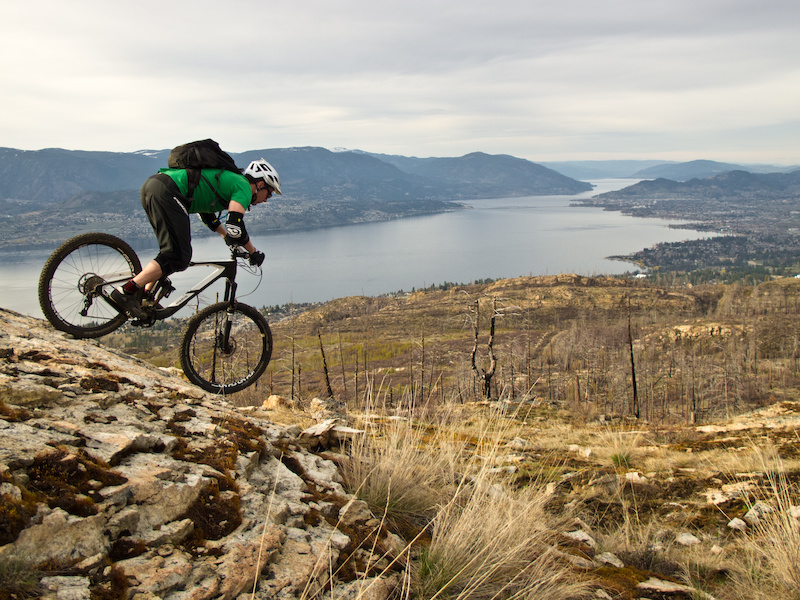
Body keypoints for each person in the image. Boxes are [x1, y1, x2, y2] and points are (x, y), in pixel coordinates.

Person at [111, 158, 281, 318]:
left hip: (155, 186)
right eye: (269, 194)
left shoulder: (230, 181)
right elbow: (235, 226)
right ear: (259, 185)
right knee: (178, 256)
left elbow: (207, 215)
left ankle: (145, 297)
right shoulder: (243, 186)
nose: (266, 200)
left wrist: (225, 236)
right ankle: (126, 291)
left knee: (171, 254)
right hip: (168, 191)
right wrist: (253, 252)